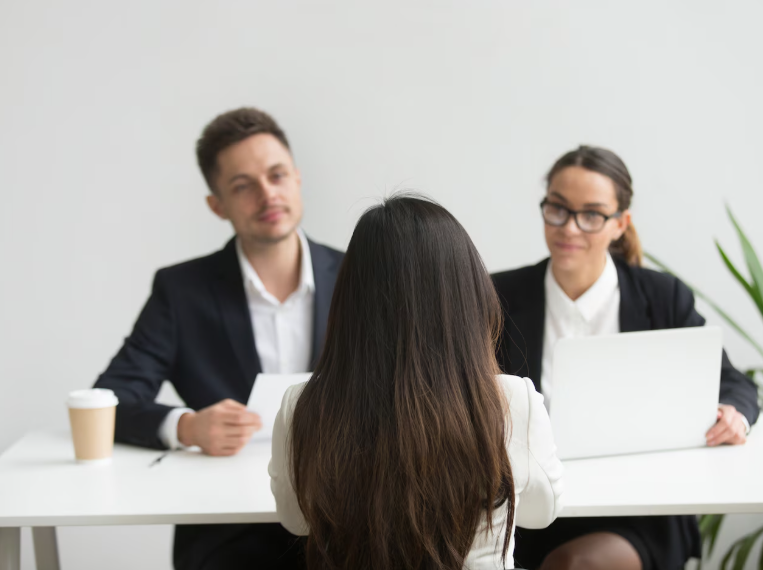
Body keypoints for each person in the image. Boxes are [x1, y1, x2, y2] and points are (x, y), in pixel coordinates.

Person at [94, 107, 343, 570]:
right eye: (242, 186)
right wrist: (186, 427)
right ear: (217, 205)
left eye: (277, 175)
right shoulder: (181, 291)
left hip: (347, 517)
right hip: (227, 530)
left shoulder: (359, 275)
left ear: (297, 178)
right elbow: (109, 399)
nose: (267, 194)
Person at [491, 145, 760, 570]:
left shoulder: (661, 297)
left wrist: (734, 415)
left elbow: (733, 383)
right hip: (532, 507)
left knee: (576, 565)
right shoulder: (500, 295)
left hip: (641, 507)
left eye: (592, 215)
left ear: (620, 224)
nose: (570, 228)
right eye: (558, 209)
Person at [268, 194, 565, 570]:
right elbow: (543, 512)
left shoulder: (302, 405)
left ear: (350, 300)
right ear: (467, 295)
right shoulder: (512, 400)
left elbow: (296, 519)